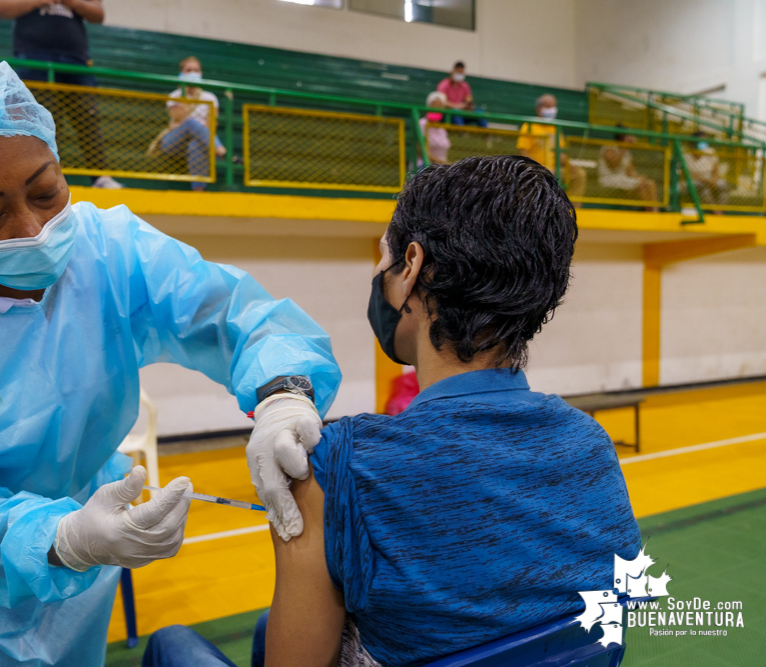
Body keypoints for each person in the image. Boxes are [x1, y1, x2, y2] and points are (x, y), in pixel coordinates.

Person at [0, 58, 341, 667]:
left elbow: (234, 314)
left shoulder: (109, 250)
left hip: (81, 568)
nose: (32, 227)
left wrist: (283, 394)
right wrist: (66, 539)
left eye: (46, 191)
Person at [140, 156, 641, 667]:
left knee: (171, 644)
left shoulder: (337, 466)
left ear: (413, 267)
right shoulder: (592, 446)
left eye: (386, 259)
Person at [0, 0, 123, 189]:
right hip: (34, 56)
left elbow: (98, 14)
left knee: (87, 118)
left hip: (76, 60)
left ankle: (101, 177)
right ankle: (41, 177)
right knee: (40, 120)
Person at [148, 56, 227, 191]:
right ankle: (219, 149)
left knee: (195, 145)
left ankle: (198, 192)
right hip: (174, 141)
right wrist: (184, 92)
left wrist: (190, 128)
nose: (193, 73)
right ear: (181, 74)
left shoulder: (210, 98)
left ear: (201, 74)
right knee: (189, 123)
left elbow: (211, 126)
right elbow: (179, 120)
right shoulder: (175, 96)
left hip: (199, 142)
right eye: (188, 70)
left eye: (196, 70)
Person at [517, 94, 586, 206]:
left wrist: (569, 165)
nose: (552, 110)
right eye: (548, 106)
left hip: (556, 169)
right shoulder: (529, 126)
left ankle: (572, 211)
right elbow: (523, 152)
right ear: (539, 109)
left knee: (579, 174)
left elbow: (561, 154)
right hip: (537, 168)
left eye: (554, 106)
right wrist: (541, 167)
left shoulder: (556, 128)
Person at [598, 130, 659, 211]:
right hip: (610, 179)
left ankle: (655, 212)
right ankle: (648, 212)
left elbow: (630, 171)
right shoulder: (608, 148)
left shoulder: (627, 152)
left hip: (624, 179)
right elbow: (614, 164)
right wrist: (624, 147)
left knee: (650, 183)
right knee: (640, 185)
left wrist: (639, 178)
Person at [682, 132, 730, 208]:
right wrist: (704, 180)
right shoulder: (686, 155)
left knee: (723, 186)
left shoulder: (710, 152)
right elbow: (689, 175)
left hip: (710, 179)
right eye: (702, 140)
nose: (705, 142)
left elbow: (716, 171)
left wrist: (714, 180)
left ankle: (722, 209)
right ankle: (714, 211)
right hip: (696, 181)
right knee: (704, 190)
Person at [436, 61, 487, 128]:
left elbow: (469, 99)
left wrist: (469, 106)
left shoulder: (465, 86)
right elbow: (443, 102)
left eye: (461, 73)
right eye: (458, 72)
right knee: (456, 112)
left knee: (479, 112)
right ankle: (462, 132)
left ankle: (486, 134)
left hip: (461, 111)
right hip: (448, 113)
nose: (460, 75)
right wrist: (458, 106)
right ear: (453, 72)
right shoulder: (443, 85)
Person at [418, 91, 451, 165]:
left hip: (441, 167)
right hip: (423, 166)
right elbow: (420, 151)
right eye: (433, 106)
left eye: (439, 107)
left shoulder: (442, 129)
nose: (436, 109)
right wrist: (442, 163)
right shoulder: (421, 124)